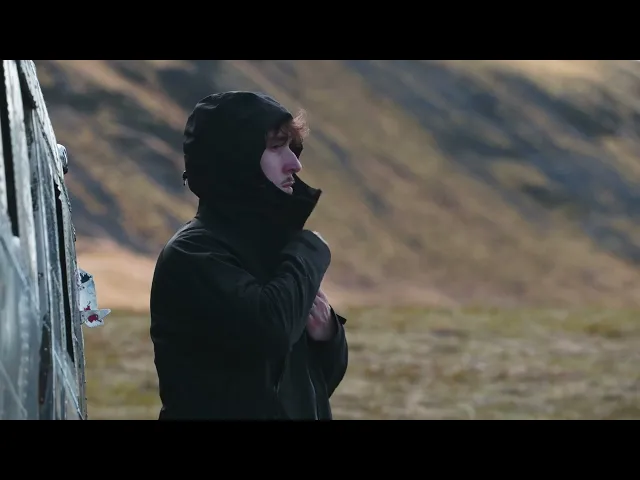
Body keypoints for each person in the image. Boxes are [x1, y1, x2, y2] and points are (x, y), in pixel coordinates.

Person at [149, 91, 348, 420]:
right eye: (276, 147)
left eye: (291, 147)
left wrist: (327, 334)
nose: (295, 164)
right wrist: (311, 248)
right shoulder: (193, 254)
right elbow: (270, 331)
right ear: (236, 159)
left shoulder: (272, 250)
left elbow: (313, 384)